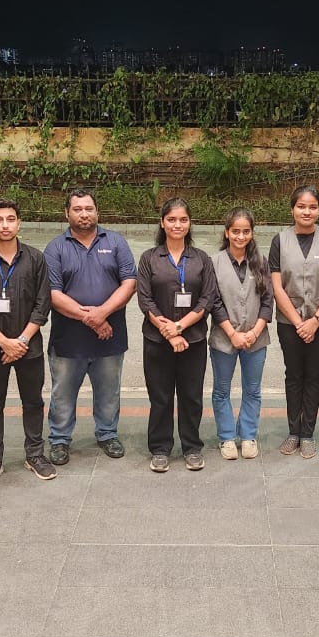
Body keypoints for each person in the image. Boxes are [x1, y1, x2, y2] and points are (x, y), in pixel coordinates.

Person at [0, 198, 55, 488]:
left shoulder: (36, 259)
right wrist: (4, 342)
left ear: (19, 222)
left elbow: (42, 305)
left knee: (33, 402)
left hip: (30, 347)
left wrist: (22, 340)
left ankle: (35, 454)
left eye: (10, 219)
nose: (5, 225)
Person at [43, 188, 137, 465]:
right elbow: (52, 293)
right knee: (62, 393)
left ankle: (107, 433)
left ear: (97, 211)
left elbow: (129, 283)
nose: (84, 214)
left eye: (88, 208)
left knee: (109, 391)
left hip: (110, 336)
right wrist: (93, 319)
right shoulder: (55, 248)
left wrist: (103, 313)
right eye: (77, 209)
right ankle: (59, 439)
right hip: (68, 339)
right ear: (67, 213)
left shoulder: (116, 242)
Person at [136, 198, 218, 472]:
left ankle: (192, 447)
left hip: (192, 340)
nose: (177, 225)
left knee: (191, 397)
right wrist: (169, 333)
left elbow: (207, 299)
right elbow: (145, 300)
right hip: (157, 341)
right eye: (171, 220)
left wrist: (180, 327)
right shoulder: (149, 258)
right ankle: (160, 448)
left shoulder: (201, 259)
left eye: (183, 220)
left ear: (189, 223)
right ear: (162, 223)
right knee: (160, 398)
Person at [268, 185, 319, 459]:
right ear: (292, 209)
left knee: (314, 376)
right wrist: (298, 322)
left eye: (312, 207)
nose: (307, 211)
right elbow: (277, 287)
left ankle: (308, 434)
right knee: (293, 376)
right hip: (289, 323)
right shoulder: (279, 241)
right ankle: (293, 431)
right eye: (301, 206)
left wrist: (316, 320)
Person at [209, 207, 273, 460]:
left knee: (253, 390)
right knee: (221, 390)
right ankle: (226, 437)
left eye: (246, 231)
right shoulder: (214, 262)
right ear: (226, 232)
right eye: (235, 231)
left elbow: (267, 301)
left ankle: (248, 435)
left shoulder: (261, 262)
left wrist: (255, 331)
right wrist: (233, 333)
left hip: (256, 339)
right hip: (224, 338)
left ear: (252, 233)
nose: (240, 236)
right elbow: (214, 302)